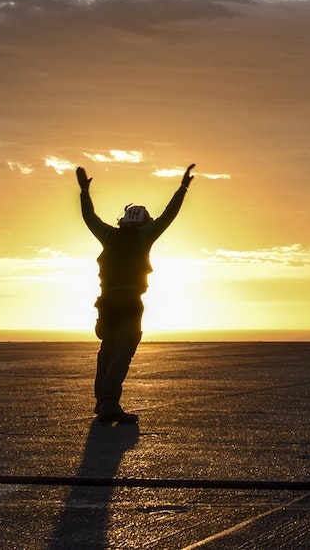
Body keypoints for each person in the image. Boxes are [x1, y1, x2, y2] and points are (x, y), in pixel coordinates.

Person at [76, 162, 194, 424]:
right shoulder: (144, 236)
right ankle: (109, 403)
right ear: (143, 222)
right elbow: (168, 215)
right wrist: (182, 188)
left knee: (107, 349)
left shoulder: (108, 235)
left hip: (106, 303)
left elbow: (89, 217)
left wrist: (84, 192)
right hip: (130, 302)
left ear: (124, 220)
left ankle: (102, 401)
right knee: (123, 351)